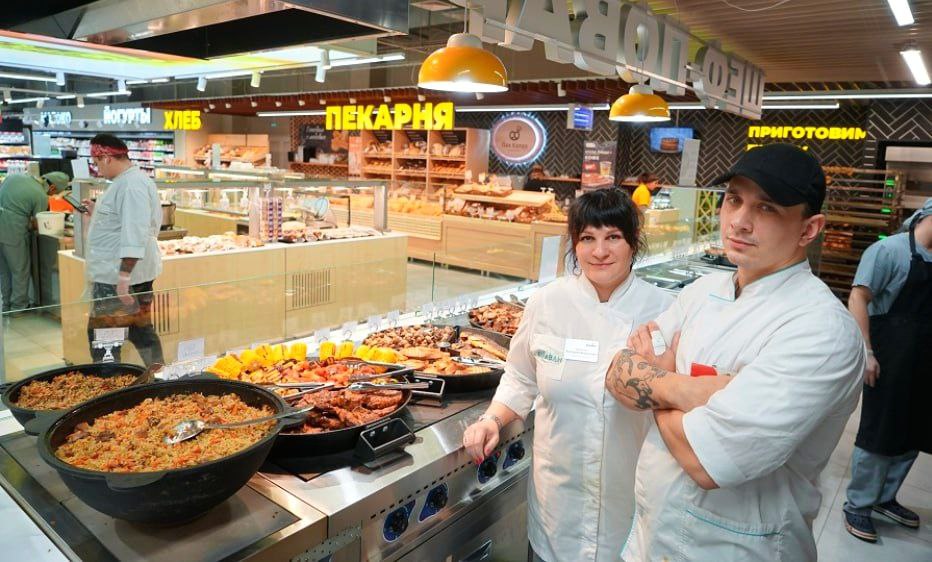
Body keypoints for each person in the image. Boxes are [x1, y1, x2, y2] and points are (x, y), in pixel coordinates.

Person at [605, 143, 865, 561]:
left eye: (767, 208)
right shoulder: (702, 291)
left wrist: (656, 381)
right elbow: (618, 372)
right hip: (651, 538)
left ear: (808, 229)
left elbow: (706, 460)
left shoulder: (821, 330)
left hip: (736, 548)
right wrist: (695, 391)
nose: (739, 221)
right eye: (734, 199)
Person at [463, 188, 674, 562]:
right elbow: (521, 376)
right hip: (557, 507)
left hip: (629, 507)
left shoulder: (665, 311)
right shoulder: (547, 303)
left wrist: (658, 379)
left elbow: (680, 401)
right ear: (574, 245)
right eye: (587, 238)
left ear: (633, 242)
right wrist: (492, 419)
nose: (600, 251)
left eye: (613, 237)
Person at [843, 198, 931, 542]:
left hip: (924, 359)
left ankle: (884, 498)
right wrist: (866, 352)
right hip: (891, 354)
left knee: (914, 431)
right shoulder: (888, 251)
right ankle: (858, 504)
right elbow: (858, 298)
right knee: (880, 432)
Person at [83, 134, 164, 365]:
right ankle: (158, 376)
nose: (97, 169)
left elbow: (134, 233)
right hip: (123, 277)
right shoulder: (127, 182)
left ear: (107, 158)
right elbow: (124, 222)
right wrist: (98, 213)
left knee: (105, 338)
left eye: (97, 163)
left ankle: (110, 382)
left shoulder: (131, 185)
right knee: (140, 330)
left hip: (119, 280)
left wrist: (123, 278)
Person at [0, 171, 70, 312]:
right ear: (52, 187)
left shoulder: (15, 177)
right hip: (13, 232)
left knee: (4, 270)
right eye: (54, 193)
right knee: (20, 270)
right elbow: (38, 223)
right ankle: (19, 307)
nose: (51, 196)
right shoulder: (40, 195)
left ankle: (7, 305)